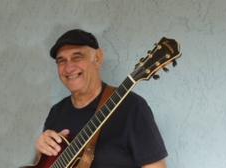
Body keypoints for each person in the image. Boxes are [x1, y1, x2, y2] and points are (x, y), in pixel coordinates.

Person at [35, 29, 168, 168]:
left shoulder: (132, 107)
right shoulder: (56, 112)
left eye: (77, 57)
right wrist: (40, 152)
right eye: (61, 61)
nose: (68, 68)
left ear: (98, 58)